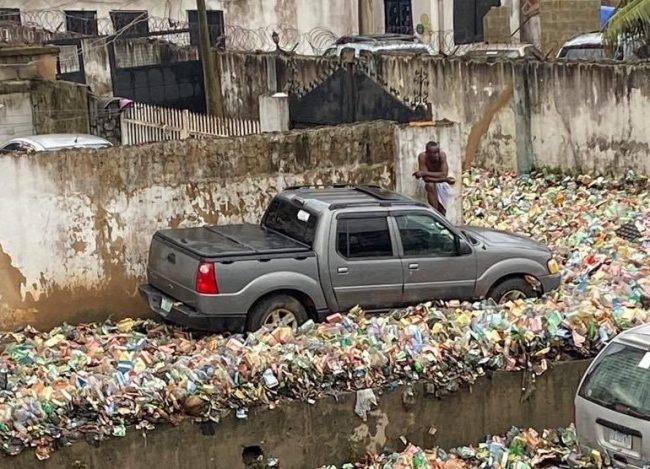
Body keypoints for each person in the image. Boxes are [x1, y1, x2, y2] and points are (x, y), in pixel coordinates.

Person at [413, 141, 455, 216]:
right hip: (428, 183)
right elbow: (426, 179)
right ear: (427, 153)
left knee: (442, 207)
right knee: (430, 185)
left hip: (441, 182)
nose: (437, 155)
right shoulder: (422, 156)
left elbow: (444, 174)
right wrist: (443, 178)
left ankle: (440, 214)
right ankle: (435, 214)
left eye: (437, 152)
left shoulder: (442, 155)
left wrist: (424, 173)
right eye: (434, 153)